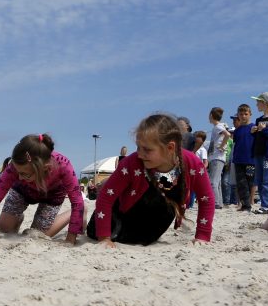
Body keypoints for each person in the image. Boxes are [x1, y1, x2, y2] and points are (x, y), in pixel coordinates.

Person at [88, 113, 214, 247]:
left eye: (147, 150)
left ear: (170, 148)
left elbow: (206, 199)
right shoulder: (132, 162)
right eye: (138, 147)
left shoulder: (191, 163)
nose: (140, 154)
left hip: (151, 230)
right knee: (94, 232)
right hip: (118, 219)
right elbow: (105, 197)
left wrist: (202, 236)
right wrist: (104, 238)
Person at [0, 134, 85, 245]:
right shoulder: (16, 166)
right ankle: (16, 217)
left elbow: (77, 202)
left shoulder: (63, 165)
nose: (20, 177)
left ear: (44, 168)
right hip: (22, 190)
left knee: (36, 235)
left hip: (52, 195)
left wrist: (70, 239)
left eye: (24, 174)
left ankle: (71, 214)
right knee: (3, 227)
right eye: (18, 173)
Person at [231, 104, 255, 210]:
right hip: (238, 160)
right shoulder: (237, 130)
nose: (243, 116)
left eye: (246, 114)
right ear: (238, 116)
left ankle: (250, 202)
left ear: (250, 114)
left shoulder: (254, 128)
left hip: (251, 160)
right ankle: (245, 205)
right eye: (241, 114)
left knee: (250, 182)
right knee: (241, 183)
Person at [208, 107, 232, 210]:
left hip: (217, 157)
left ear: (211, 116)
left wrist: (222, 146)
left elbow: (227, 134)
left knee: (213, 181)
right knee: (217, 181)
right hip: (218, 157)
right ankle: (219, 202)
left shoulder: (218, 126)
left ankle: (216, 202)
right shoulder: (219, 126)